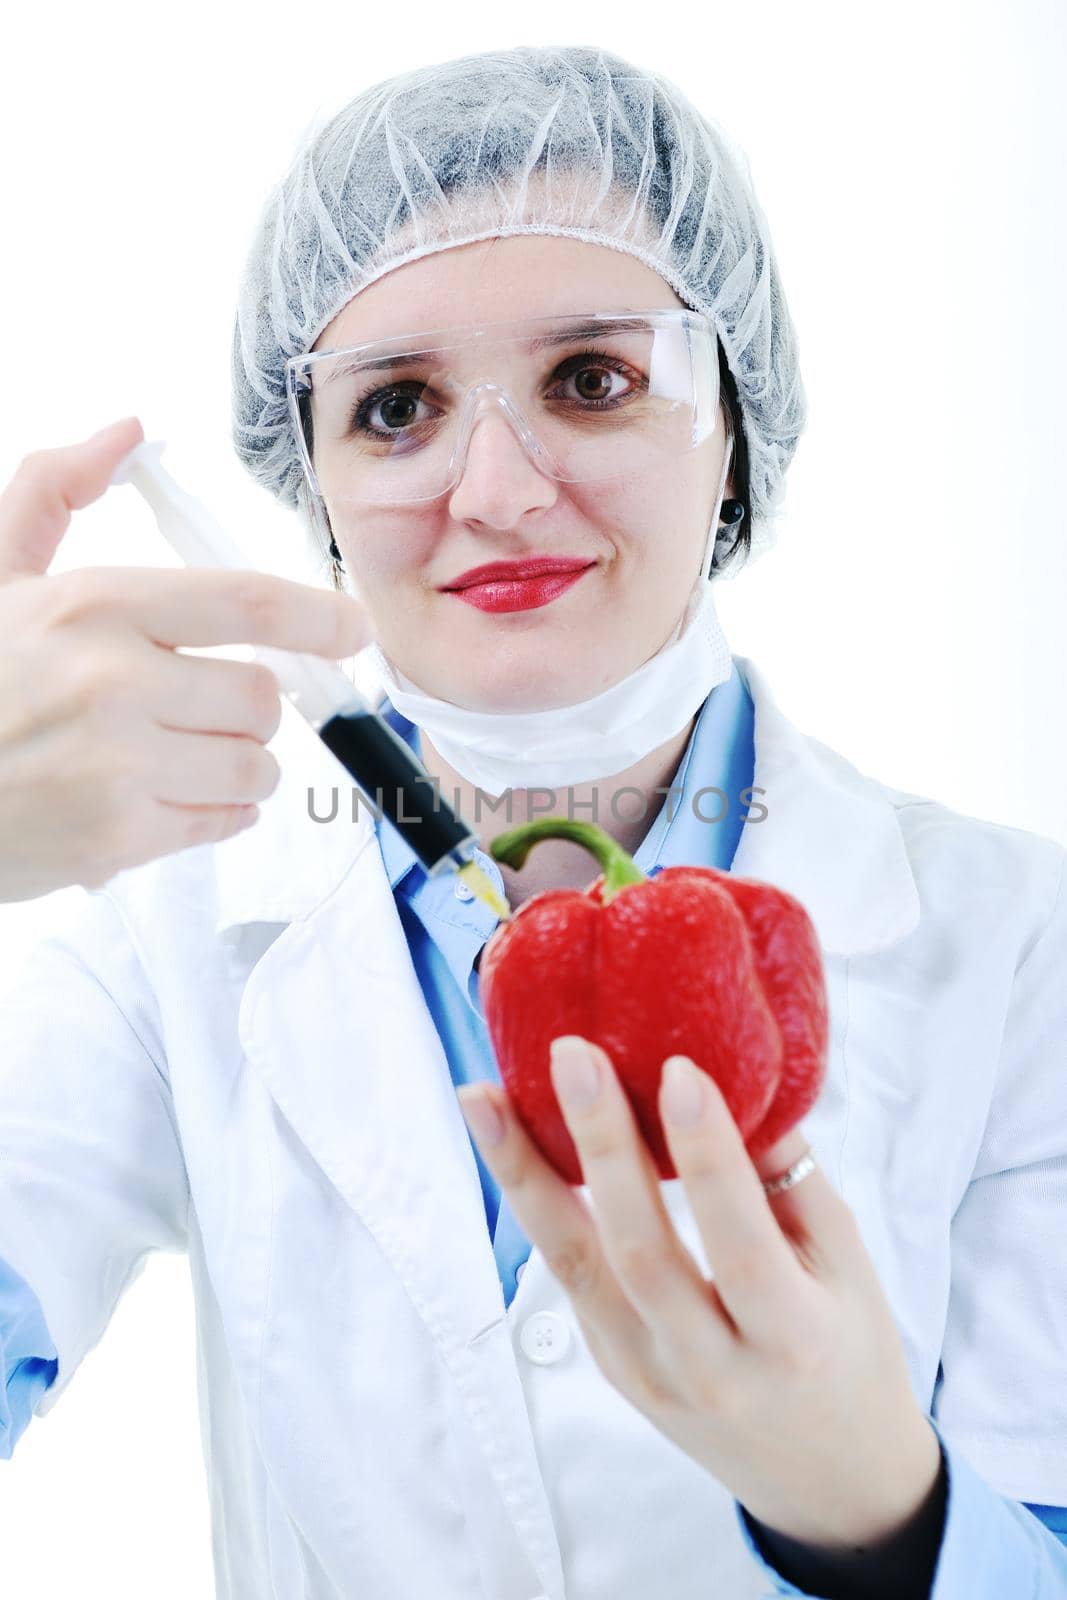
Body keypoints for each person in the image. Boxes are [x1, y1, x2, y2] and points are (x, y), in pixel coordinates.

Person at [1, 43, 1066, 1600]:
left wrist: (883, 1515)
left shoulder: (1021, 948)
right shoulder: (167, 950)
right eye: (398, 407)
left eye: (592, 379)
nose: (494, 489)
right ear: (309, 476)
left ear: (735, 426)